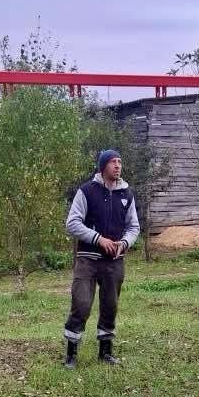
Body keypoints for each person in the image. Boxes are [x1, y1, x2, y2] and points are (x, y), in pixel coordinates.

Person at [63, 149, 140, 367]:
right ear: (103, 166)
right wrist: (98, 239)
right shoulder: (87, 191)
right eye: (113, 162)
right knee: (81, 303)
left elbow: (133, 226)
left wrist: (124, 243)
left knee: (110, 305)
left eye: (120, 162)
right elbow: (72, 223)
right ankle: (71, 354)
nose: (118, 166)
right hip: (87, 259)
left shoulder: (126, 194)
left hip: (114, 261)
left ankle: (105, 352)